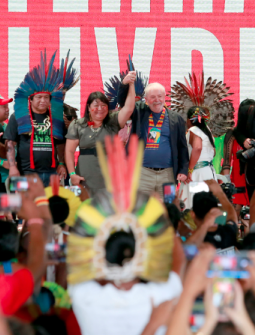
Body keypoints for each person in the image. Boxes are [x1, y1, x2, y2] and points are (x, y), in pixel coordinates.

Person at [66, 135, 183, 335]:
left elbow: (77, 254)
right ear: (145, 252)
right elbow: (177, 263)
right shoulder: (161, 294)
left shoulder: (82, 296)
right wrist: (161, 214)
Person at [167, 72, 235, 206]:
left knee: (193, 204)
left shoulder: (193, 130)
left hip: (197, 174)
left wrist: (190, 169)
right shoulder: (207, 131)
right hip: (209, 173)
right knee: (207, 205)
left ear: (189, 120)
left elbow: (197, 148)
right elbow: (213, 152)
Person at [65, 72, 136, 195]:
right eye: (96, 105)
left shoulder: (113, 121)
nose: (100, 109)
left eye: (104, 106)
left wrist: (130, 84)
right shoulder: (77, 124)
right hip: (84, 175)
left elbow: (129, 108)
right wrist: (72, 174)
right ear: (88, 107)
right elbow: (69, 151)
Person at [6, 51, 70, 186]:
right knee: (26, 207)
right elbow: (10, 143)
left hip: (51, 173)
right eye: (39, 97)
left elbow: (60, 143)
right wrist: (12, 167)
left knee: (48, 207)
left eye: (46, 97)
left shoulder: (56, 117)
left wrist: (61, 163)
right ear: (31, 99)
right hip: (25, 172)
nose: (43, 100)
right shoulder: (18, 117)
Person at [117, 81, 189, 195]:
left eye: (160, 96)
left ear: (164, 98)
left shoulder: (176, 119)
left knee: (168, 207)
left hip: (168, 174)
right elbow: (123, 102)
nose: (157, 100)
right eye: (152, 97)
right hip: (142, 173)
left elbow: (182, 147)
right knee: (142, 209)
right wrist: (126, 84)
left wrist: (183, 170)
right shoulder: (139, 113)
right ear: (146, 100)